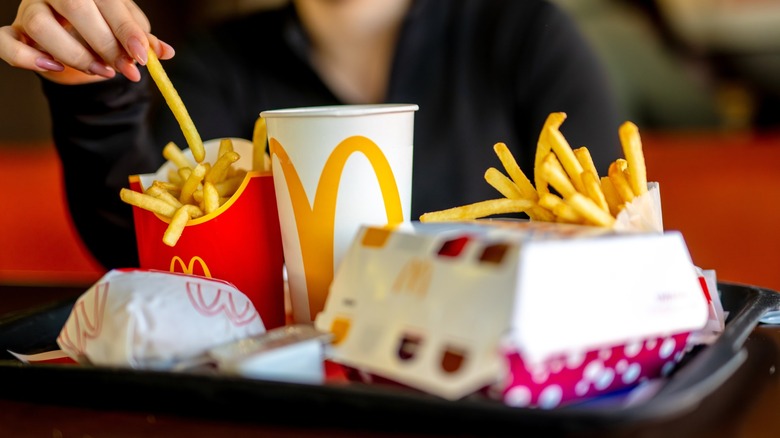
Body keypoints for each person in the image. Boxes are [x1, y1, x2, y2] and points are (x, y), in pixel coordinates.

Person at [0, 0, 622, 270]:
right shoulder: (220, 59)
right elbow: (144, 244)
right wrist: (91, 83)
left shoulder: (526, 37)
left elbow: (613, 235)